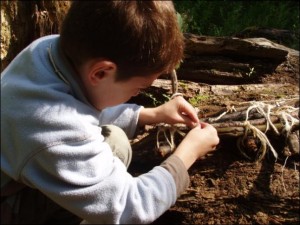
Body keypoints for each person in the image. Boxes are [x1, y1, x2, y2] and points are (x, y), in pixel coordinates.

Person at [1, 1, 219, 224]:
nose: (136, 95)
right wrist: (188, 153)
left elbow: (82, 105)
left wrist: (152, 114)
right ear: (101, 72)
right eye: (138, 89)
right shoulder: (52, 127)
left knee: (115, 141)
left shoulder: (47, 50)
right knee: (115, 149)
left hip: (16, 172)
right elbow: (130, 205)